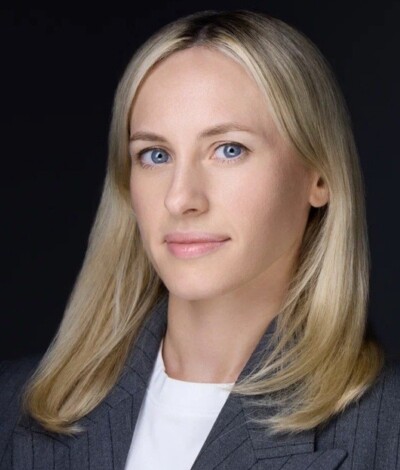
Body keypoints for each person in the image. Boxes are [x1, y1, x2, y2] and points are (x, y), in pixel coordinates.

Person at [1, 9, 399, 470]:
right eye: (155, 155)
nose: (180, 198)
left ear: (320, 176)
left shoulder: (386, 433)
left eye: (229, 149)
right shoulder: (12, 407)